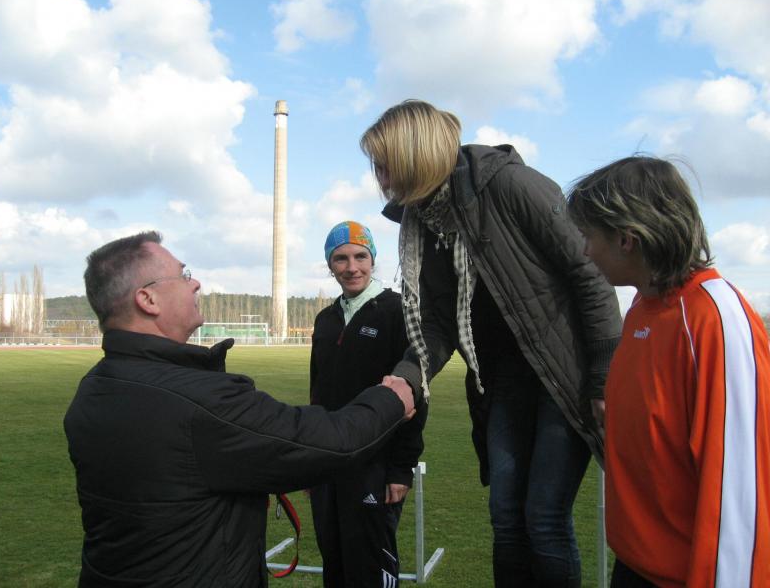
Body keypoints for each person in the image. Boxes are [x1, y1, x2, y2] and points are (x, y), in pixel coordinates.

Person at [360, 99, 623, 587]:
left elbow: (589, 275)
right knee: (505, 517)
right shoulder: (424, 221)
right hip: (501, 383)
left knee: (544, 517)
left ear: (416, 154)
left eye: (385, 163)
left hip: (562, 375)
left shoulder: (508, 185)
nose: (380, 176)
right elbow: (437, 324)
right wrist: (406, 377)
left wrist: (604, 374)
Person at [63, 231, 416, 588]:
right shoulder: (201, 400)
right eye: (183, 275)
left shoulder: (92, 389)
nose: (195, 283)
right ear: (148, 299)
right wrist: (394, 397)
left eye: (360, 256)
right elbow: (331, 442)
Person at [566, 156, 770, 587]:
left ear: (627, 238)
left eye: (589, 236)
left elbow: (740, 490)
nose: (585, 251)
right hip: (635, 564)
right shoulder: (642, 309)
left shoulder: (714, 319)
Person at [309, 221, 427, 587]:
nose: (352, 267)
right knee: (334, 561)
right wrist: (310, 461)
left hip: (375, 463)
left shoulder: (397, 311)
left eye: (360, 256)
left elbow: (415, 395)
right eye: (340, 258)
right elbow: (317, 396)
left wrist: (401, 468)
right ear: (330, 265)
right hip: (329, 462)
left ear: (373, 259)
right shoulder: (325, 320)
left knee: (370, 566)